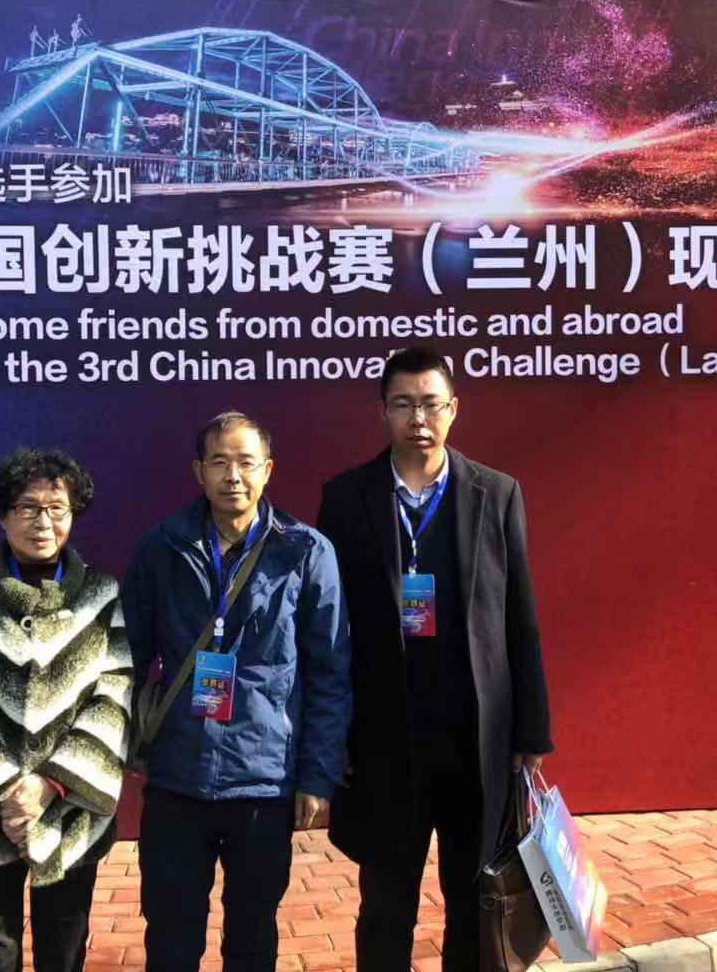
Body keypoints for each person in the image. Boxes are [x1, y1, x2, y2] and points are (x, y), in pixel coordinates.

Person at [318, 347, 553, 972]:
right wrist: (331, 734)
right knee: (385, 904)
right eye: (402, 404)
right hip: (384, 740)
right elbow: (328, 627)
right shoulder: (346, 498)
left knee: (474, 902)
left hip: (474, 740)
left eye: (429, 403)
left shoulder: (496, 493)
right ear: (382, 412)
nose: (417, 418)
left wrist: (531, 732)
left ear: (453, 409)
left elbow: (520, 617)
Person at [123, 412, 351, 972]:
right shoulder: (162, 548)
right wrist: (121, 748)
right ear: (198, 471)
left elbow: (329, 674)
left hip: (264, 783)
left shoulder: (305, 551)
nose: (233, 476)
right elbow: (124, 660)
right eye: (219, 462)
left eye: (246, 462)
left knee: (252, 939)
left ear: (268, 470)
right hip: (178, 778)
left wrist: (316, 776)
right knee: (170, 940)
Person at [0, 447, 133, 972]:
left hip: (70, 814)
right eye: (27, 507)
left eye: (57, 508)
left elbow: (113, 695)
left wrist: (51, 786)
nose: (43, 521)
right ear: (3, 515)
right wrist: (8, 795)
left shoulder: (101, 595)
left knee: (63, 955)